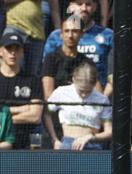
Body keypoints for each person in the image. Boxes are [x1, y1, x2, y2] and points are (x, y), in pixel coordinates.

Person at [41, 15, 93, 149]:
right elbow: (49, 97)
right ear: (61, 34)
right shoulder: (51, 59)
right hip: (56, 121)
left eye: (75, 31)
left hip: (82, 120)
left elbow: (97, 96)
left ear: (81, 34)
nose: (70, 35)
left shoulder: (87, 63)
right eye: (67, 31)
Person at [44, 0, 113, 88]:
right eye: (79, 4)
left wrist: (102, 98)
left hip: (98, 92)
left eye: (88, 4)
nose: (84, 8)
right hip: (62, 94)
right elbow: (47, 72)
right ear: (70, 6)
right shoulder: (56, 36)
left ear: (95, 7)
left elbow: (114, 74)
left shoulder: (108, 35)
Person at [46, 60, 112, 150]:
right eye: (81, 90)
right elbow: (46, 114)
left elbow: (109, 131)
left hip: (93, 144)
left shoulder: (102, 99)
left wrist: (90, 137)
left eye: (88, 91)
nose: (84, 94)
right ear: (73, 79)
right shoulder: (62, 92)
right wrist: (54, 139)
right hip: (68, 144)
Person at [0, 32, 43, 149]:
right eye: (9, 48)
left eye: (17, 49)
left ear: (22, 52)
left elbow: (35, 116)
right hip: (1, 138)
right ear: (1, 51)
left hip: (27, 136)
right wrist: (24, 108)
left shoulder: (33, 80)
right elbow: (30, 112)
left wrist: (5, 115)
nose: (13, 53)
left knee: (38, 136)